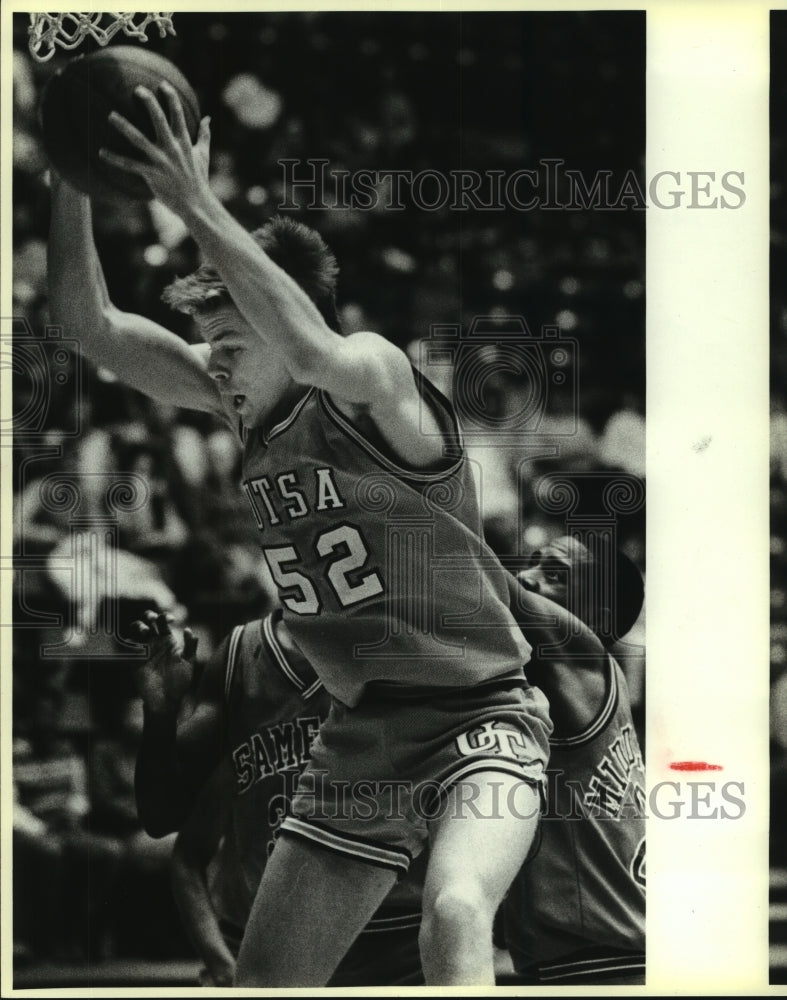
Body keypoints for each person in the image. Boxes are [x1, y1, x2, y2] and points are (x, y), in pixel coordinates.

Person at [47, 83, 552, 986]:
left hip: (481, 712)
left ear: (280, 323)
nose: (215, 365)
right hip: (361, 735)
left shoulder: (375, 380)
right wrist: (71, 169)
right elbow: (88, 327)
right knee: (265, 982)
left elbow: (314, 349)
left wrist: (194, 200)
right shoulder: (241, 406)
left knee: (455, 909)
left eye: (230, 345)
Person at [133, 609, 424, 987]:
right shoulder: (241, 654)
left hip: (391, 949)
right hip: (264, 946)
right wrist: (160, 716)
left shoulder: (409, 643)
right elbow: (161, 817)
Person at [502, 535, 646, 985]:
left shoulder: (582, 657)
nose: (528, 576)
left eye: (556, 576)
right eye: (534, 563)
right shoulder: (585, 683)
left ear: (596, 619)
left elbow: (483, 582)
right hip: (607, 951)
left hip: (599, 960)